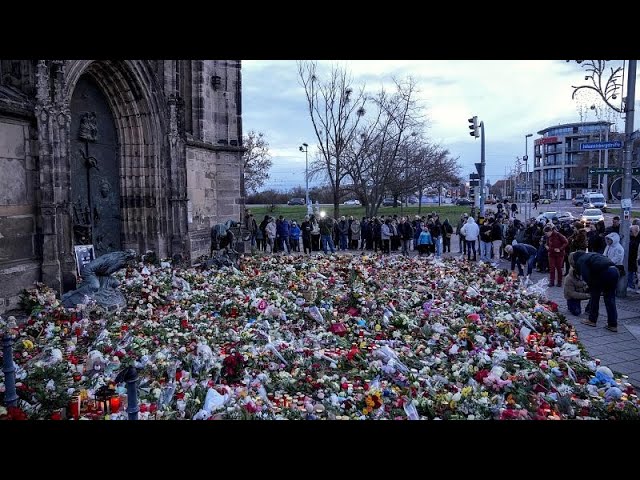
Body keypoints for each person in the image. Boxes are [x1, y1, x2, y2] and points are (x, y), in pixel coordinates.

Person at [570, 251, 619, 332]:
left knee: (594, 297)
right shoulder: (592, 254)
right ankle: (613, 325)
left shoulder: (581, 260)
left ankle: (592, 320)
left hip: (603, 273)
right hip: (614, 271)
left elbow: (587, 277)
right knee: (610, 298)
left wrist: (589, 287)